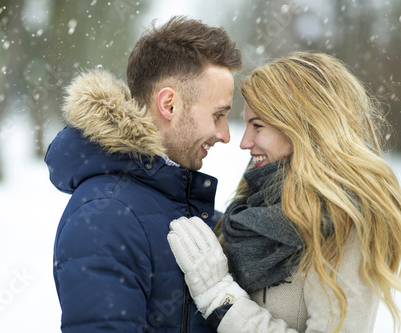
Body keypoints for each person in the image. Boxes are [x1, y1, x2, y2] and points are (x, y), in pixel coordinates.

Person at [167, 51, 401, 332]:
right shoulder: (256, 202)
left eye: (258, 126)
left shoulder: (340, 221)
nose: (244, 142)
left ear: (301, 127)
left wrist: (220, 298)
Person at [45, 16, 242, 332]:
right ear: (169, 105)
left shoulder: (175, 195)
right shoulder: (106, 215)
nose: (225, 134)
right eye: (218, 115)